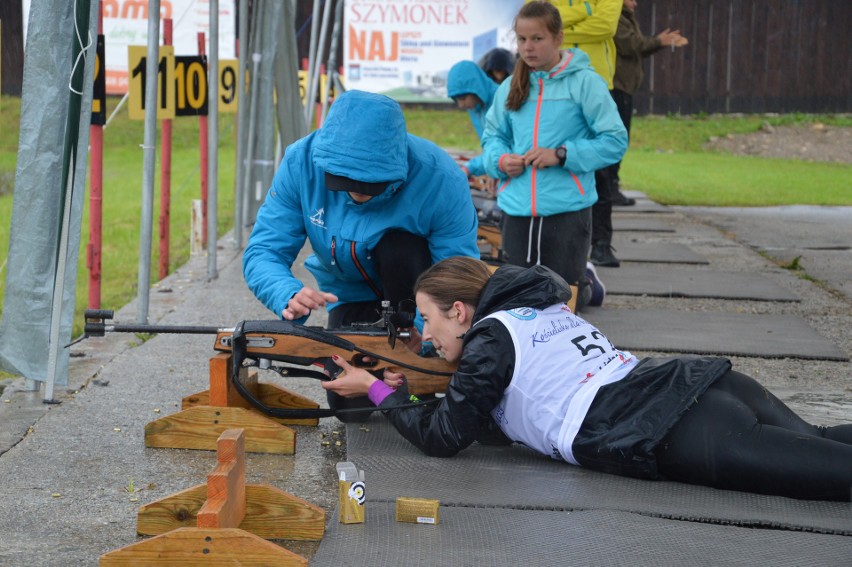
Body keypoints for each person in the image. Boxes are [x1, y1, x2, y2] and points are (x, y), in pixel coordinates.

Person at [323, 256, 852, 502]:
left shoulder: (488, 339)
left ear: (460, 311)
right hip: (704, 387)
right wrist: (411, 382)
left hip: (674, 426)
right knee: (824, 445)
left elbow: (445, 438)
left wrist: (375, 389)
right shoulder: (529, 307)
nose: (427, 334)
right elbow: (490, 415)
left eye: (429, 320)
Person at [243, 89, 481, 420]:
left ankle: (417, 350)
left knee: (401, 246)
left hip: (416, 295)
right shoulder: (300, 162)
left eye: (371, 185)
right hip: (347, 294)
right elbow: (263, 251)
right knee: (350, 410)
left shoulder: (441, 178)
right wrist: (288, 293)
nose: (357, 193)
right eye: (344, 183)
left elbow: (456, 274)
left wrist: (425, 333)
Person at [480, 1, 627, 311]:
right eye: (522, 40)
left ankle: (586, 284)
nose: (528, 47)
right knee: (516, 299)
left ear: (558, 38)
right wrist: (501, 161)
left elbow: (614, 141)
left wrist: (562, 155)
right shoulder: (509, 86)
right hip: (516, 207)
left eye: (537, 39)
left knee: (562, 301)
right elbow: (493, 136)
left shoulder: (586, 84)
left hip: (567, 208)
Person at [543, 0, 624, 267]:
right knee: (551, 160)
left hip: (596, 82)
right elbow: (535, 19)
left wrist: (559, 30)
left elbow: (605, 27)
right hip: (551, 82)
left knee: (601, 170)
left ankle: (601, 243)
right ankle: (553, 241)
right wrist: (585, 13)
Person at [608, 0, 688, 205]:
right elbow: (631, 45)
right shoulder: (614, 17)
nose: (635, 3)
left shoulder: (624, 17)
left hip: (624, 85)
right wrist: (659, 41)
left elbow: (637, 46)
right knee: (616, 138)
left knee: (620, 137)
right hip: (617, 85)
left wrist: (658, 41)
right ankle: (609, 188)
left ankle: (611, 186)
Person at [447, 60, 500, 193]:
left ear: (477, 89)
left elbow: (505, 147)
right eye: (456, 100)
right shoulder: (475, 107)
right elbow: (490, 149)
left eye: (463, 98)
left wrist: (469, 168)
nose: (461, 105)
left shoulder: (501, 101)